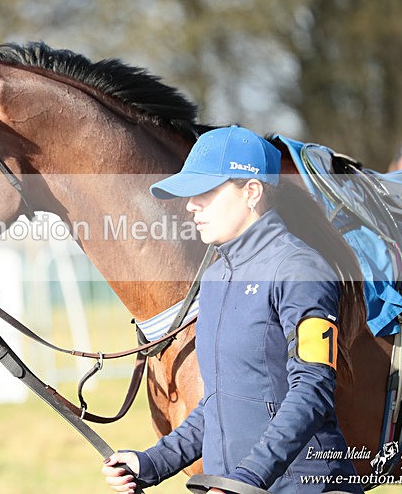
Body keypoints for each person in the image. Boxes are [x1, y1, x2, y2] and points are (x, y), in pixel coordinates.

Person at [102, 126, 363, 493]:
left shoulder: (301, 270)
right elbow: (219, 404)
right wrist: (150, 462)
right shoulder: (213, 278)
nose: (191, 205)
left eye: (205, 191)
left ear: (252, 192)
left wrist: (245, 480)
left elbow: (312, 391)